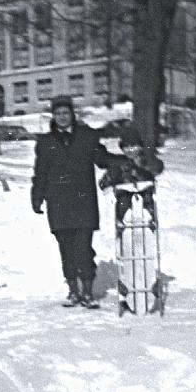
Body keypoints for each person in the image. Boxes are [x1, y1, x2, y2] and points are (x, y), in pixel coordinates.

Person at [31, 94, 123, 309]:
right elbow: (40, 173)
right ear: (53, 116)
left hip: (83, 203)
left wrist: (128, 161)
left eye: (66, 113)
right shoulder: (45, 143)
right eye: (58, 114)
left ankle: (88, 292)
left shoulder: (87, 137)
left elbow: (103, 159)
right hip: (58, 204)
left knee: (83, 249)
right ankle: (73, 291)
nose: (62, 117)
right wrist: (37, 197)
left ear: (72, 114)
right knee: (66, 250)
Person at [98, 124, 164, 232]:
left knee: (148, 197)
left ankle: (149, 215)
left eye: (133, 147)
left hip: (144, 190)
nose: (130, 150)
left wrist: (145, 165)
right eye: (126, 147)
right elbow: (106, 180)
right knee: (122, 200)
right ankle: (123, 218)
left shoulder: (145, 160)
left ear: (140, 147)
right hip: (125, 192)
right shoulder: (119, 163)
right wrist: (107, 182)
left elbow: (158, 167)